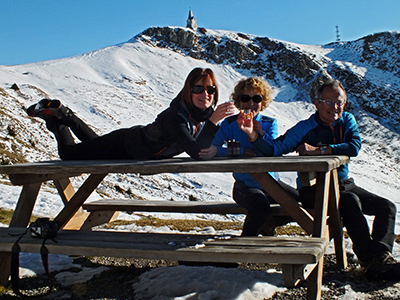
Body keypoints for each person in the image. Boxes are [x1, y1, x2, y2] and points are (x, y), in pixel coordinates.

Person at [238, 77, 399, 280]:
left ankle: (381, 258)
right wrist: (253, 136)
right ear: (317, 103)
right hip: (314, 189)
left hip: (343, 184)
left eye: (339, 102)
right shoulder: (305, 127)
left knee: (387, 207)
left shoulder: (347, 120)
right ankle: (371, 263)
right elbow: (275, 149)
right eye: (329, 102)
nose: (335, 107)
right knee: (350, 202)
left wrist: (320, 150)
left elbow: (354, 146)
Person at [26, 68, 235, 160]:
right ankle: (56, 118)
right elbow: (197, 152)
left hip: (129, 148)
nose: (205, 94)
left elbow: (207, 147)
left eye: (210, 89)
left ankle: (63, 114)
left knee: (93, 145)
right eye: (198, 88)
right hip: (124, 146)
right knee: (69, 154)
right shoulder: (175, 117)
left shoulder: (201, 115)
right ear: (188, 91)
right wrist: (214, 120)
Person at [199, 77, 299, 236]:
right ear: (239, 101)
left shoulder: (268, 123)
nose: (251, 103)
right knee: (261, 207)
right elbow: (213, 148)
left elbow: (273, 151)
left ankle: (268, 224)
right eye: (245, 98)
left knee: (301, 203)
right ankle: (242, 249)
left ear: (263, 102)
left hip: (272, 183)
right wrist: (240, 152)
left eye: (256, 99)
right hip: (245, 185)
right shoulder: (229, 124)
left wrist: (260, 136)